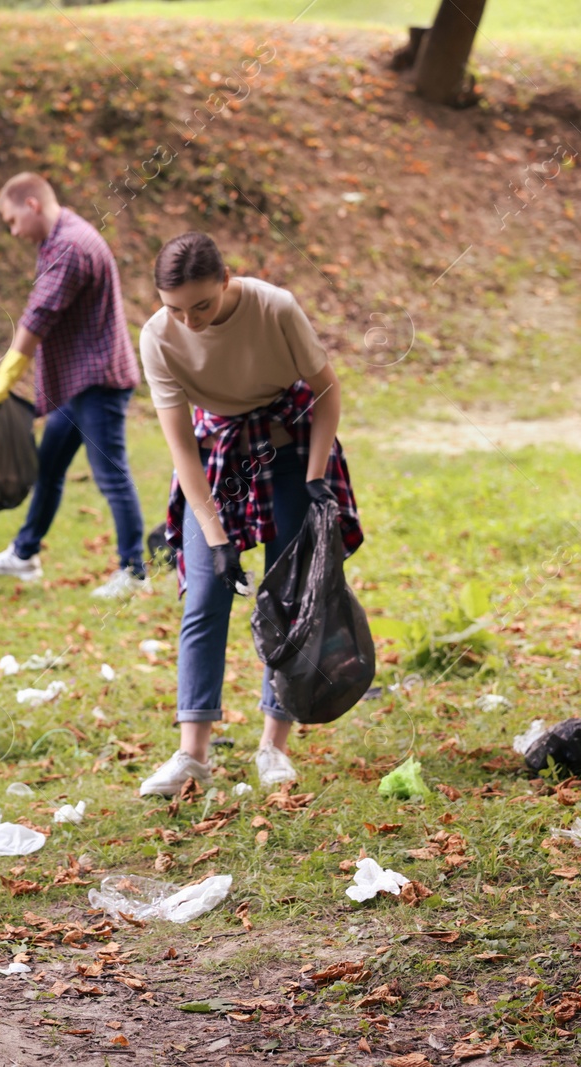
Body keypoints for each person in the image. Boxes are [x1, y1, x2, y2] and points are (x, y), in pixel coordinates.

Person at [134, 232, 362, 798]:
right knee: (205, 593)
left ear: (227, 280)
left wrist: (314, 477)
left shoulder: (274, 307)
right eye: (174, 308)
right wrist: (213, 537)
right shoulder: (158, 337)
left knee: (289, 595)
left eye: (202, 305)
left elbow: (326, 391)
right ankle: (192, 755)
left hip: (291, 450)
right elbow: (182, 448)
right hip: (219, 459)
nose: (189, 320)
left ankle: (273, 745)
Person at [0, 172, 149, 599]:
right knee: (48, 469)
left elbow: (38, 316)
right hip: (78, 382)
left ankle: (135, 572)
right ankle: (25, 553)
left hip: (98, 381)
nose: (13, 231)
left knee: (111, 475)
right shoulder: (57, 239)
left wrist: (5, 377)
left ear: (32, 204)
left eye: (12, 221)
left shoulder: (70, 245)